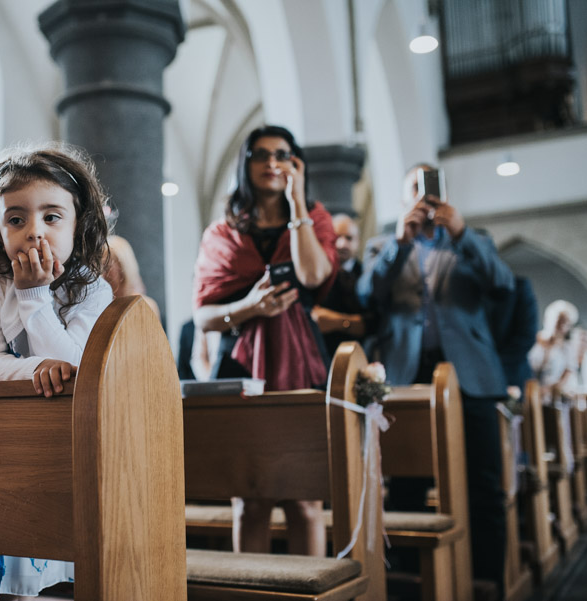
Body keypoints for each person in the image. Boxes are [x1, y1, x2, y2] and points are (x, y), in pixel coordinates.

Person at [0, 143, 112, 598]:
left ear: (81, 223)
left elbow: (76, 368)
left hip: (62, 436)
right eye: (16, 218)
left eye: (52, 217)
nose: (34, 232)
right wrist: (39, 366)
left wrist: (35, 298)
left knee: (48, 556)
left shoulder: (92, 291)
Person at [358, 163, 514, 596]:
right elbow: (368, 295)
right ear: (403, 197)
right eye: (414, 188)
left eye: (430, 188)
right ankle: (411, 584)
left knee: (483, 485)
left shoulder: (473, 240)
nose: (423, 197)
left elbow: (503, 286)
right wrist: (399, 245)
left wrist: (462, 233)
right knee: (407, 486)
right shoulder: (382, 245)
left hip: (471, 377)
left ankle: (487, 583)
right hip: (408, 377)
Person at [192, 125, 337, 556]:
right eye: (261, 154)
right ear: (246, 163)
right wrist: (252, 307)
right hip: (240, 369)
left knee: (306, 500)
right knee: (249, 499)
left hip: (302, 365)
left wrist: (297, 205)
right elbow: (203, 316)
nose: (272, 163)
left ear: (297, 164)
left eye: (283, 155)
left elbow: (313, 275)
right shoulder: (221, 233)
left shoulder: (316, 217)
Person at [311, 213, 374, 358]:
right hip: (320, 356)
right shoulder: (315, 274)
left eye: (349, 238)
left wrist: (336, 322)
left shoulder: (368, 275)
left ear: (358, 242)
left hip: (359, 356)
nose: (342, 244)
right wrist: (354, 322)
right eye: (336, 237)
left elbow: (373, 323)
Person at [528, 299, 579, 400]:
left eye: (566, 323)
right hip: (529, 391)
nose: (561, 326)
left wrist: (547, 390)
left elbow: (567, 374)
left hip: (552, 396)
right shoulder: (533, 340)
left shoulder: (567, 349)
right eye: (559, 320)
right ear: (548, 319)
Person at [103, 234, 160, 318]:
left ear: (121, 266)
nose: (102, 274)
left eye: (106, 267)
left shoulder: (145, 306)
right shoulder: (103, 305)